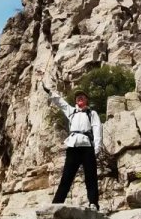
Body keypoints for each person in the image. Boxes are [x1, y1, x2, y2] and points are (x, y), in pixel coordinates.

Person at [41, 81, 102, 210]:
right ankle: (57, 203)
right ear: (75, 100)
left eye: (82, 97)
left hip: (87, 146)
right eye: (78, 97)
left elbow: (97, 130)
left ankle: (93, 203)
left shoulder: (92, 113)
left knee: (91, 176)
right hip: (73, 146)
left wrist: (97, 147)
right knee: (66, 176)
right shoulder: (71, 111)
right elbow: (59, 101)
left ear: (86, 100)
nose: (80, 98)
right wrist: (49, 91)